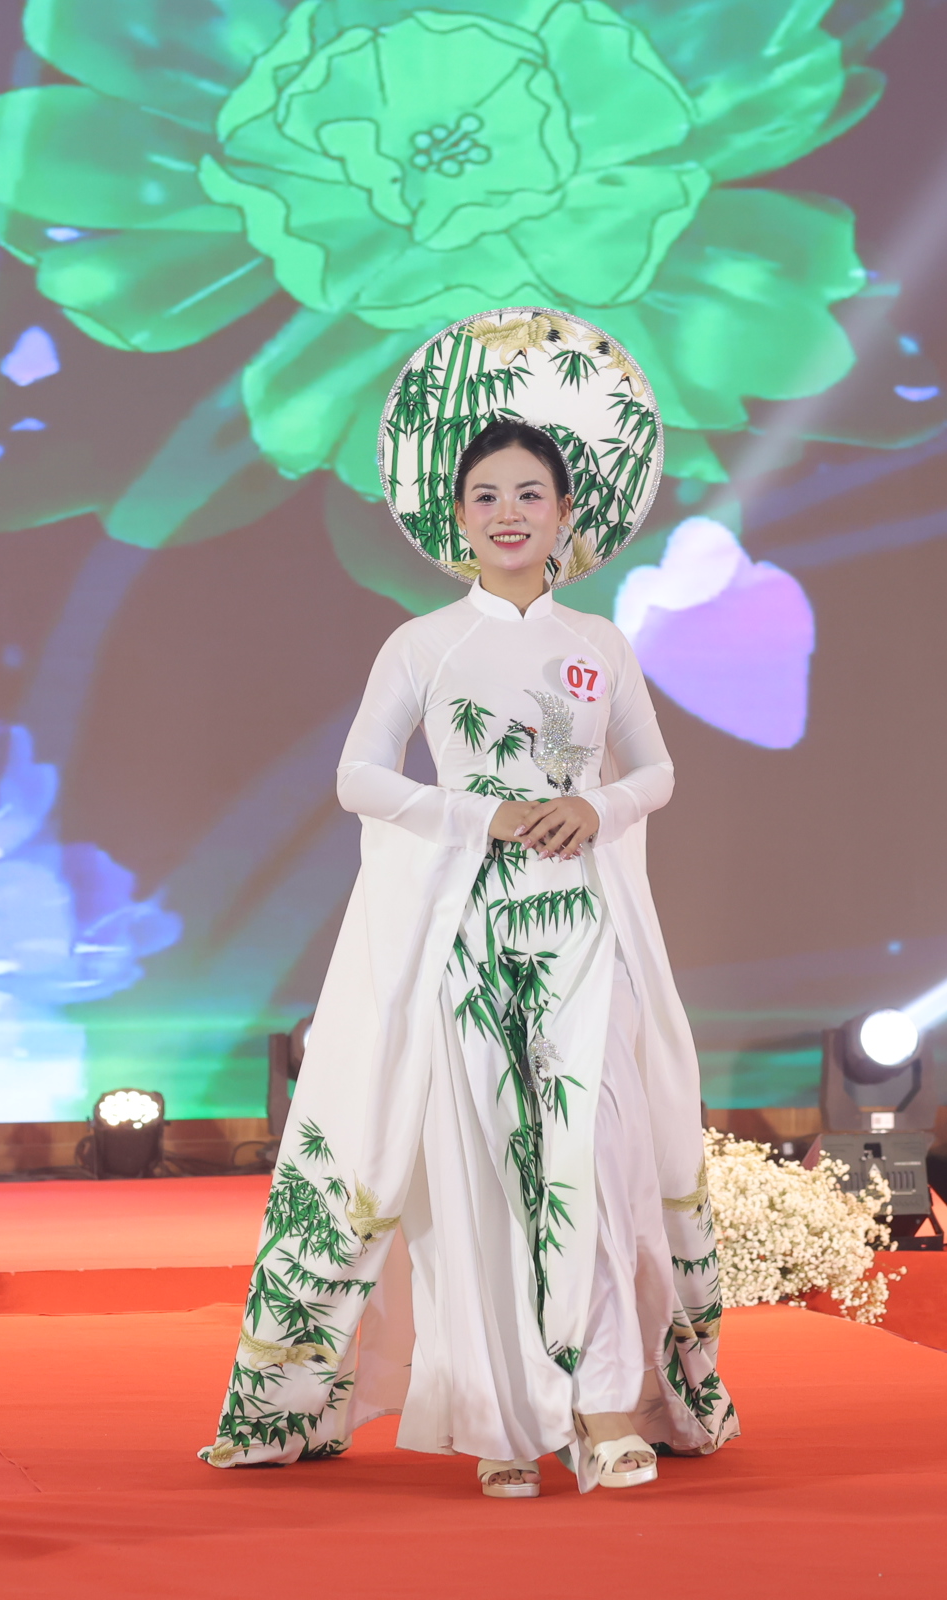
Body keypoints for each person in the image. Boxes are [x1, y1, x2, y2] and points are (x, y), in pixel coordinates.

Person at [200, 323, 733, 1498]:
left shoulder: (601, 645)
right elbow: (358, 777)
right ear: (455, 518)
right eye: (485, 495)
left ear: (566, 514)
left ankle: (604, 1407)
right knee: (482, 1175)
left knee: (591, 1158)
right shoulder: (422, 646)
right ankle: (500, 1423)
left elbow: (656, 771)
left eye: (529, 494)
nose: (508, 514)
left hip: (583, 935)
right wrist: (482, 816)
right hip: (464, 940)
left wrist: (595, 807)